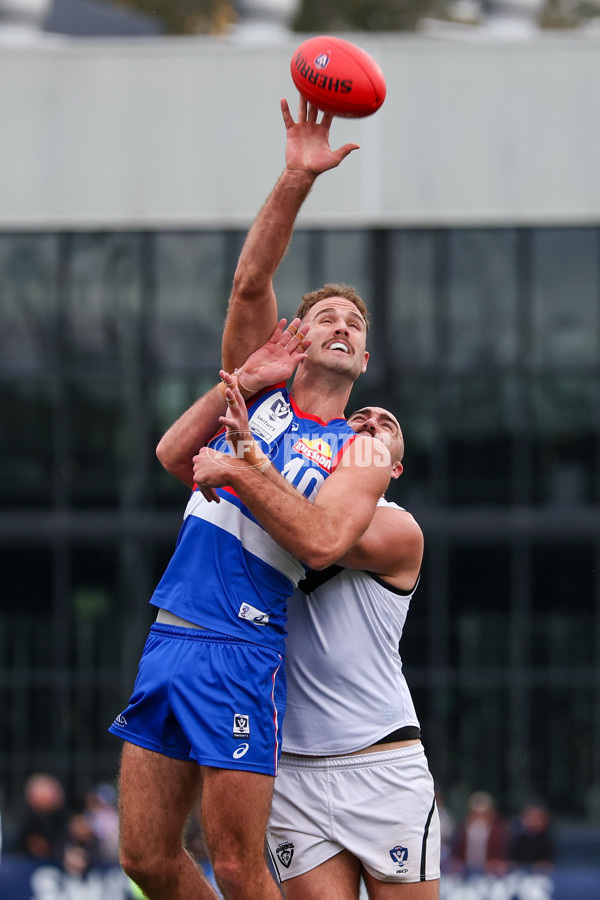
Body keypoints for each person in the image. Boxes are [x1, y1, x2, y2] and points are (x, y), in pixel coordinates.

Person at [110, 97, 392, 900]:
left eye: (353, 322)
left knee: (236, 863)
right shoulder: (258, 394)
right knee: (144, 859)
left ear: (365, 357)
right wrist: (297, 177)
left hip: (243, 648)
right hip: (173, 632)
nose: (339, 322)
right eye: (325, 315)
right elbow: (250, 282)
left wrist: (241, 472)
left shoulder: (362, 447)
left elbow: (320, 541)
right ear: (298, 340)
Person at [195, 395, 441, 899]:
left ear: (394, 468)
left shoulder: (400, 529)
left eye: (386, 424)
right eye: (359, 420)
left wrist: (245, 461)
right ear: (334, 442)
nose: (371, 422)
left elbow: (315, 536)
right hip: (293, 767)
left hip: (381, 761)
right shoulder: (269, 499)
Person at [449, 790, 509, 876]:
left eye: (483, 815)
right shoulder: (462, 829)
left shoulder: (498, 831)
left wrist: (496, 863)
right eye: (476, 814)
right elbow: (456, 853)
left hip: (490, 871)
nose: (479, 819)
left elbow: (502, 853)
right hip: (466, 871)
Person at [17, 772, 70, 862]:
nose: (55, 795)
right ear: (33, 795)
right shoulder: (27, 821)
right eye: (50, 791)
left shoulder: (62, 817)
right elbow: (41, 850)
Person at [507, 799, 555, 871]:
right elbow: (510, 863)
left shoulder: (548, 840)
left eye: (538, 817)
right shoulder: (515, 839)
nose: (534, 820)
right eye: (531, 816)